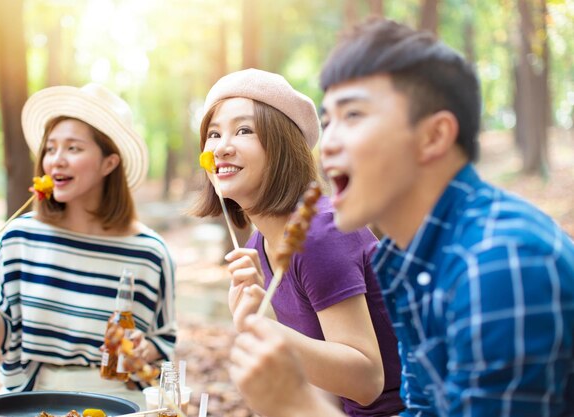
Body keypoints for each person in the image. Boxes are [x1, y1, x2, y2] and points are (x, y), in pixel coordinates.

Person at [229, 18, 574, 417]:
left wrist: (296, 406)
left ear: (433, 136)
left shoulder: (501, 263)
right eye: (329, 122)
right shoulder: (404, 261)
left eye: (354, 116)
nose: (328, 146)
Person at [194, 68, 404, 416]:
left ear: (281, 148)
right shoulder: (258, 247)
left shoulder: (321, 234)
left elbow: (367, 381)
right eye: (213, 134)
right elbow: (323, 391)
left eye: (244, 130)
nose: (222, 147)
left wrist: (266, 331)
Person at [0, 83, 176, 406]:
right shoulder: (17, 238)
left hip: (120, 398)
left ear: (109, 163)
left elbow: (164, 345)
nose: (55, 161)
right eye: (50, 149)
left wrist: (145, 349)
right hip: (31, 395)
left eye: (73, 149)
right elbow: (0, 346)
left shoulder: (150, 252)